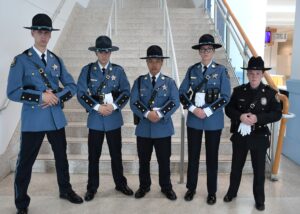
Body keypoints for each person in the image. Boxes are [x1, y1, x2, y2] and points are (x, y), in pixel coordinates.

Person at [6, 13, 83, 214]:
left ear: (50, 35)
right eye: (39, 31)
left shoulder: (56, 59)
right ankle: (21, 202)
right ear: (32, 33)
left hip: (56, 118)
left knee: (61, 158)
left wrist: (56, 96)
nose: (43, 35)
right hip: (34, 119)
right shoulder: (21, 60)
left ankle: (65, 190)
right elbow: (12, 92)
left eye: (46, 32)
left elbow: (72, 85)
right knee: (25, 163)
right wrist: (41, 97)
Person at [77, 35, 133, 201]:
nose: (104, 54)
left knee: (116, 154)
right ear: (96, 52)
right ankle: (92, 187)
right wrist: (97, 107)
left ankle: (120, 183)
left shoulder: (118, 70)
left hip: (113, 118)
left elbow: (126, 92)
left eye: (107, 51)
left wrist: (113, 106)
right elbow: (80, 93)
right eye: (101, 51)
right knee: (93, 156)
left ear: (110, 52)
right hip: (95, 119)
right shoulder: (87, 70)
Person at [223, 56, 282, 211]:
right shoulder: (238, 91)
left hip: (259, 136)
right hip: (241, 135)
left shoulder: (270, 93)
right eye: (251, 72)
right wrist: (240, 116)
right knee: (236, 167)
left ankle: (260, 200)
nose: (254, 75)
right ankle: (232, 192)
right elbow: (228, 109)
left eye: (257, 72)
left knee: (259, 171)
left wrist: (258, 118)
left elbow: (277, 114)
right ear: (247, 74)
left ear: (262, 74)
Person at [179, 34, 231, 204]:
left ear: (213, 51)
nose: (206, 52)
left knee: (212, 157)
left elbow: (225, 96)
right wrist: (193, 108)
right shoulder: (192, 70)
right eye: (203, 49)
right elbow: (182, 93)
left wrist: (207, 111)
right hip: (194, 118)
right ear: (199, 52)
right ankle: (191, 188)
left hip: (213, 120)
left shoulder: (221, 70)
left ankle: (212, 192)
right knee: (193, 156)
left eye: (209, 49)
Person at [130, 45, 179, 200]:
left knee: (164, 160)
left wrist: (159, 113)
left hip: (163, 128)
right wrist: (146, 113)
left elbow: (175, 102)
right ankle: (144, 186)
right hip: (144, 128)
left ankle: (166, 187)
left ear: (162, 63)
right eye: (151, 61)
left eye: (157, 61)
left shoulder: (169, 82)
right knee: (144, 160)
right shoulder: (139, 82)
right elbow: (134, 102)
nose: (154, 65)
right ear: (147, 63)